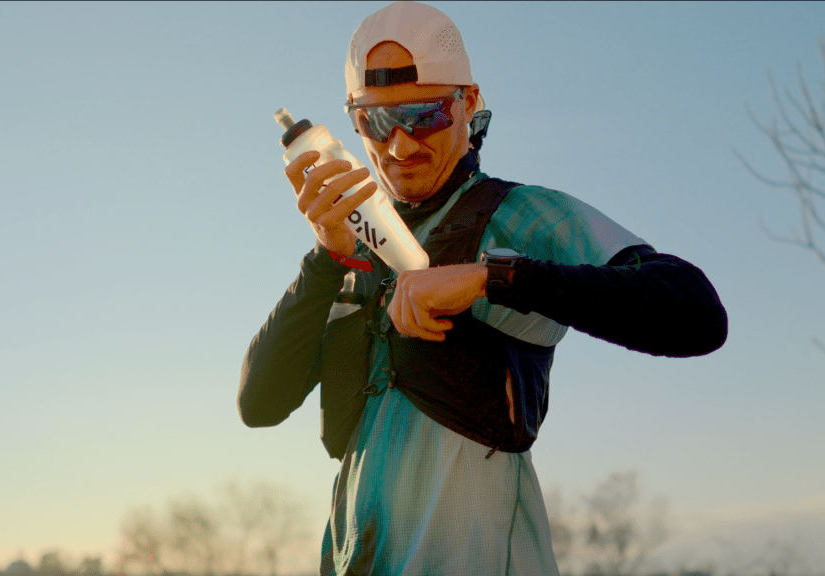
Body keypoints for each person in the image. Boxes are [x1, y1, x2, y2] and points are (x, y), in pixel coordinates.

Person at [238, 2, 728, 574]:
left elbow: (695, 311)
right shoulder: (353, 254)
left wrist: (490, 278)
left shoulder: (525, 216)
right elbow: (259, 404)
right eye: (376, 122)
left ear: (469, 103)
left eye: (425, 115)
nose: (399, 147)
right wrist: (326, 256)